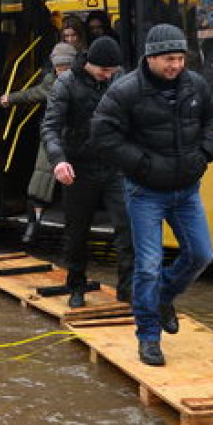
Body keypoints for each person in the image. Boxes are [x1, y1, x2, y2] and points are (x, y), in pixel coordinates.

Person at [91, 23, 213, 366]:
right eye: (168, 59)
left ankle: (163, 298)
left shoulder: (196, 85)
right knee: (147, 266)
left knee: (202, 255)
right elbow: (103, 134)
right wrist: (142, 164)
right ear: (150, 58)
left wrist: (206, 152)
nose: (175, 65)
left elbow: (211, 118)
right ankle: (148, 337)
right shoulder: (126, 90)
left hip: (187, 189)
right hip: (145, 191)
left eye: (179, 58)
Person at [42, 36, 134, 306]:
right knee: (76, 232)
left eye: (112, 71)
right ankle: (76, 286)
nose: (108, 76)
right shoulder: (66, 83)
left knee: (128, 229)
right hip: (78, 166)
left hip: (115, 165)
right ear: (89, 64)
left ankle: (127, 291)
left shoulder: (121, 79)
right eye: (103, 71)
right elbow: (50, 127)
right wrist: (59, 160)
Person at [0, 42, 77, 244]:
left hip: (74, 138)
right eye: (59, 67)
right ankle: (34, 224)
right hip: (53, 136)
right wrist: (11, 98)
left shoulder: (83, 82)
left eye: (66, 66)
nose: (62, 71)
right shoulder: (51, 82)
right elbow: (32, 94)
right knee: (40, 182)